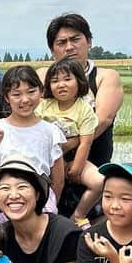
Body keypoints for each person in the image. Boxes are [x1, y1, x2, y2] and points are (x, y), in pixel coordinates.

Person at [0, 65, 65, 210]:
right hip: (4, 205)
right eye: (16, 94)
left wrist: (47, 205)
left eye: (31, 92)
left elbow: (58, 181)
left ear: (41, 92)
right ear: (6, 97)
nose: (25, 100)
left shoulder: (51, 131)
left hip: (40, 206)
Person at [44, 13, 123, 166]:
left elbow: (102, 120)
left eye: (75, 39)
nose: (69, 47)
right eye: (61, 42)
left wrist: (66, 146)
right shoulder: (43, 76)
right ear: (52, 50)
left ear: (89, 42)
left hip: (93, 164)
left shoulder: (105, 77)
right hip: (49, 167)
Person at [38, 58, 104, 227]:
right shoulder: (44, 105)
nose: (61, 85)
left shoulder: (85, 109)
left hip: (73, 158)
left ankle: (78, 215)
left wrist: (76, 168)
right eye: (55, 81)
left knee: (99, 181)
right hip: (46, 160)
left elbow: (85, 143)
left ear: (79, 81)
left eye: (67, 79)